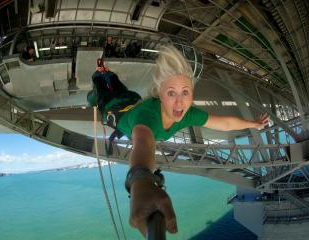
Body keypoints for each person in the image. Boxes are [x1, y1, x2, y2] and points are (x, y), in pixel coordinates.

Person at [88, 45, 269, 236]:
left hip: (131, 101)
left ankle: (105, 72)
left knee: (114, 82)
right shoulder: (148, 118)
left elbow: (223, 122)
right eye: (171, 93)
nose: (180, 102)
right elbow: (143, 144)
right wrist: (140, 181)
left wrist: (253, 123)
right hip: (113, 110)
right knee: (99, 86)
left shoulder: (188, 113)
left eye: (185, 92)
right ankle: (98, 77)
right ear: (160, 93)